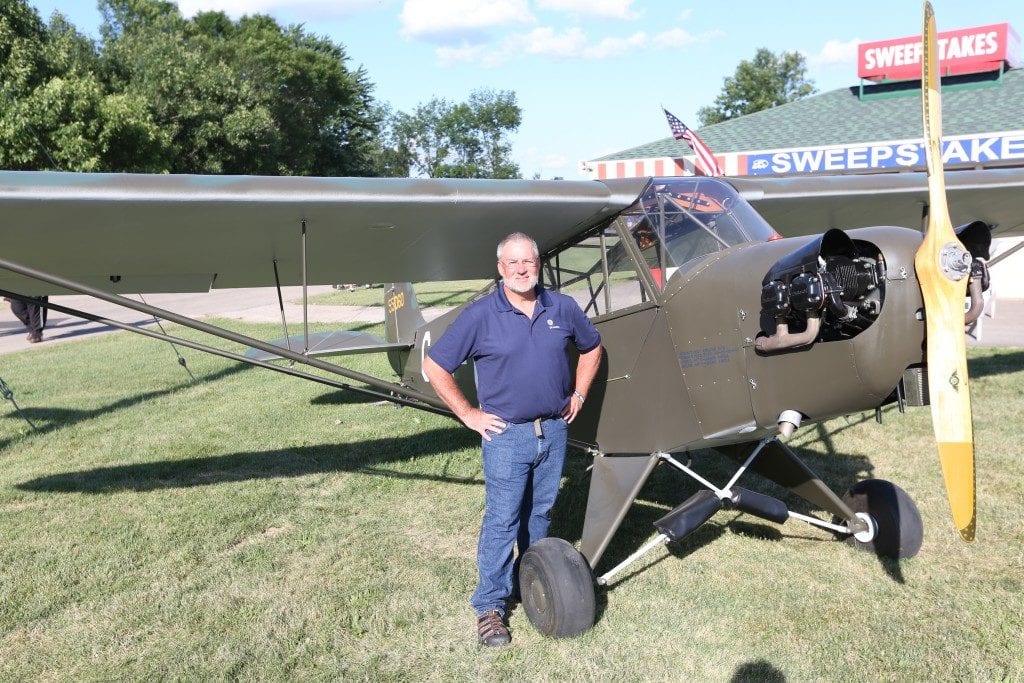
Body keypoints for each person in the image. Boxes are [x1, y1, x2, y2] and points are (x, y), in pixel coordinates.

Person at [422, 232, 602, 647]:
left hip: (554, 431)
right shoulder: (481, 314)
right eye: (514, 263)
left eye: (530, 262)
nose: (523, 270)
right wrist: (469, 414)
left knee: (540, 514)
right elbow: (435, 367)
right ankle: (489, 607)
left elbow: (592, 348)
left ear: (538, 264)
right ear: (501, 269)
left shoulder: (562, 306)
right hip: (506, 436)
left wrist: (578, 394)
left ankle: (533, 577)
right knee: (502, 521)